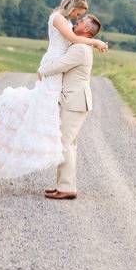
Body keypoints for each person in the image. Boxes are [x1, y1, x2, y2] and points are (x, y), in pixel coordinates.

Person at [0, 0, 107, 178]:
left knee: (48, 108)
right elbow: (74, 40)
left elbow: (74, 42)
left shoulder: (66, 22)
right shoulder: (57, 18)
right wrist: (96, 42)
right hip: (53, 64)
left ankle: (45, 150)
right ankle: (16, 143)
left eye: (79, 17)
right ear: (73, 8)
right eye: (78, 14)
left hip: (58, 68)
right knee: (42, 103)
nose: (77, 18)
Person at [38, 14, 101, 200]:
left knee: (64, 143)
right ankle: (63, 186)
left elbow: (61, 65)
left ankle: (66, 188)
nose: (76, 22)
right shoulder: (81, 45)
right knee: (68, 143)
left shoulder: (81, 48)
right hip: (74, 100)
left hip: (75, 101)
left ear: (87, 30)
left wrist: (42, 70)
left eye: (81, 22)